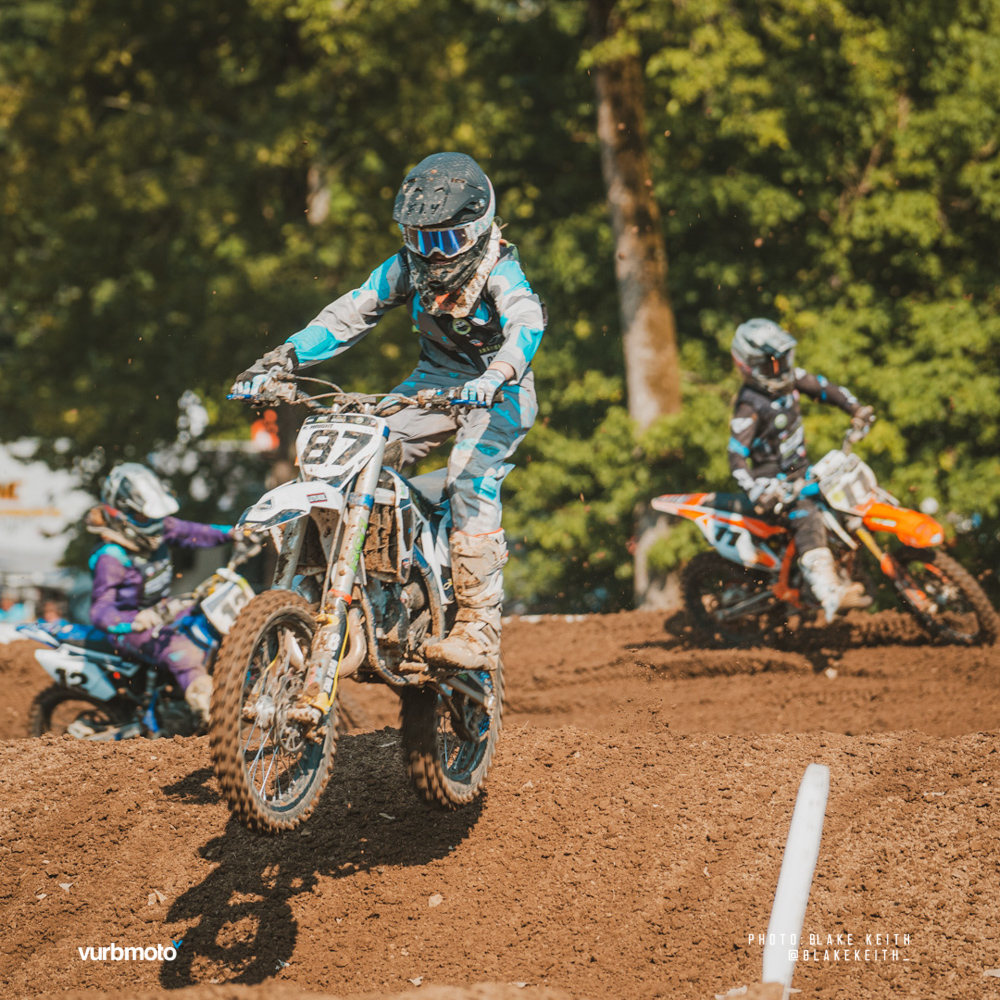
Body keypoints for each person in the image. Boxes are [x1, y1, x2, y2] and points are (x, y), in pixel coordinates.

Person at [232, 152, 546, 672]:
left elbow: (526, 325)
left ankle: (478, 625)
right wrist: (284, 357)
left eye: (446, 240)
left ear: (477, 230)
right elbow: (348, 313)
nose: (433, 254)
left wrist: (496, 375)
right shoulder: (404, 268)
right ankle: (363, 580)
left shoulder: (501, 271)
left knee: (469, 477)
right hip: (431, 384)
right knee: (351, 451)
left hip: (502, 388)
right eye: (420, 238)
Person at [728, 318, 876, 620]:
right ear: (749, 366)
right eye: (771, 363)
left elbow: (826, 389)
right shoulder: (749, 405)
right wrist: (758, 491)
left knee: (848, 500)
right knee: (807, 517)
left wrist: (856, 409)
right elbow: (736, 457)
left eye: (783, 359)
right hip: (773, 485)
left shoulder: (792, 378)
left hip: (804, 473)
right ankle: (829, 593)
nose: (780, 368)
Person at [86, 463, 234, 723]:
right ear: (120, 514)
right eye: (144, 517)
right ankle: (211, 710)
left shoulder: (163, 527)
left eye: (155, 516)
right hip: (129, 628)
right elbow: (100, 610)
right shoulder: (111, 557)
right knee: (182, 651)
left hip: (163, 612)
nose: (155, 524)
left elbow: (197, 533)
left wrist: (236, 533)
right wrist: (135, 620)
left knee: (216, 619)